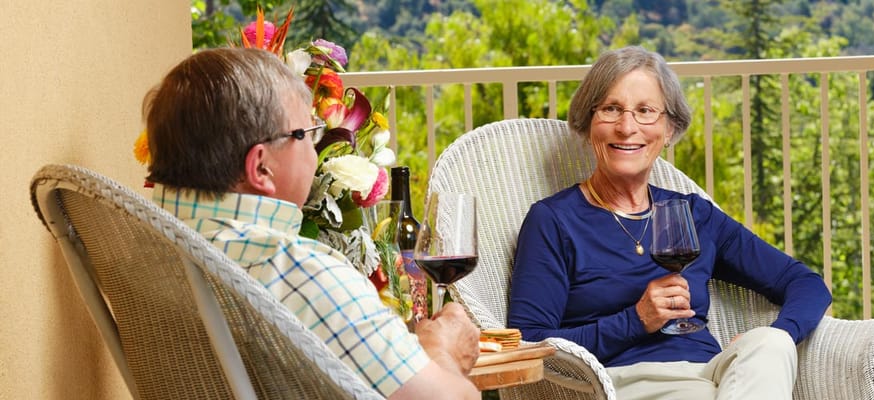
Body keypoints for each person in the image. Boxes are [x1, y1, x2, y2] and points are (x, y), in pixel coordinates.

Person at [142, 47, 480, 399]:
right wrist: (443, 351)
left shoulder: (142, 243)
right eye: (308, 133)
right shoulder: (297, 272)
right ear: (261, 167)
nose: (315, 152)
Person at [506, 46, 832, 399]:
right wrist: (636, 320)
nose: (627, 127)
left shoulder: (694, 215)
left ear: (669, 129)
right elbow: (530, 343)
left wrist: (784, 331)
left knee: (771, 343)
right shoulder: (554, 221)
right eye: (611, 109)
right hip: (625, 382)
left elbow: (805, 283)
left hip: (714, 377)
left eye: (645, 111)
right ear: (587, 123)